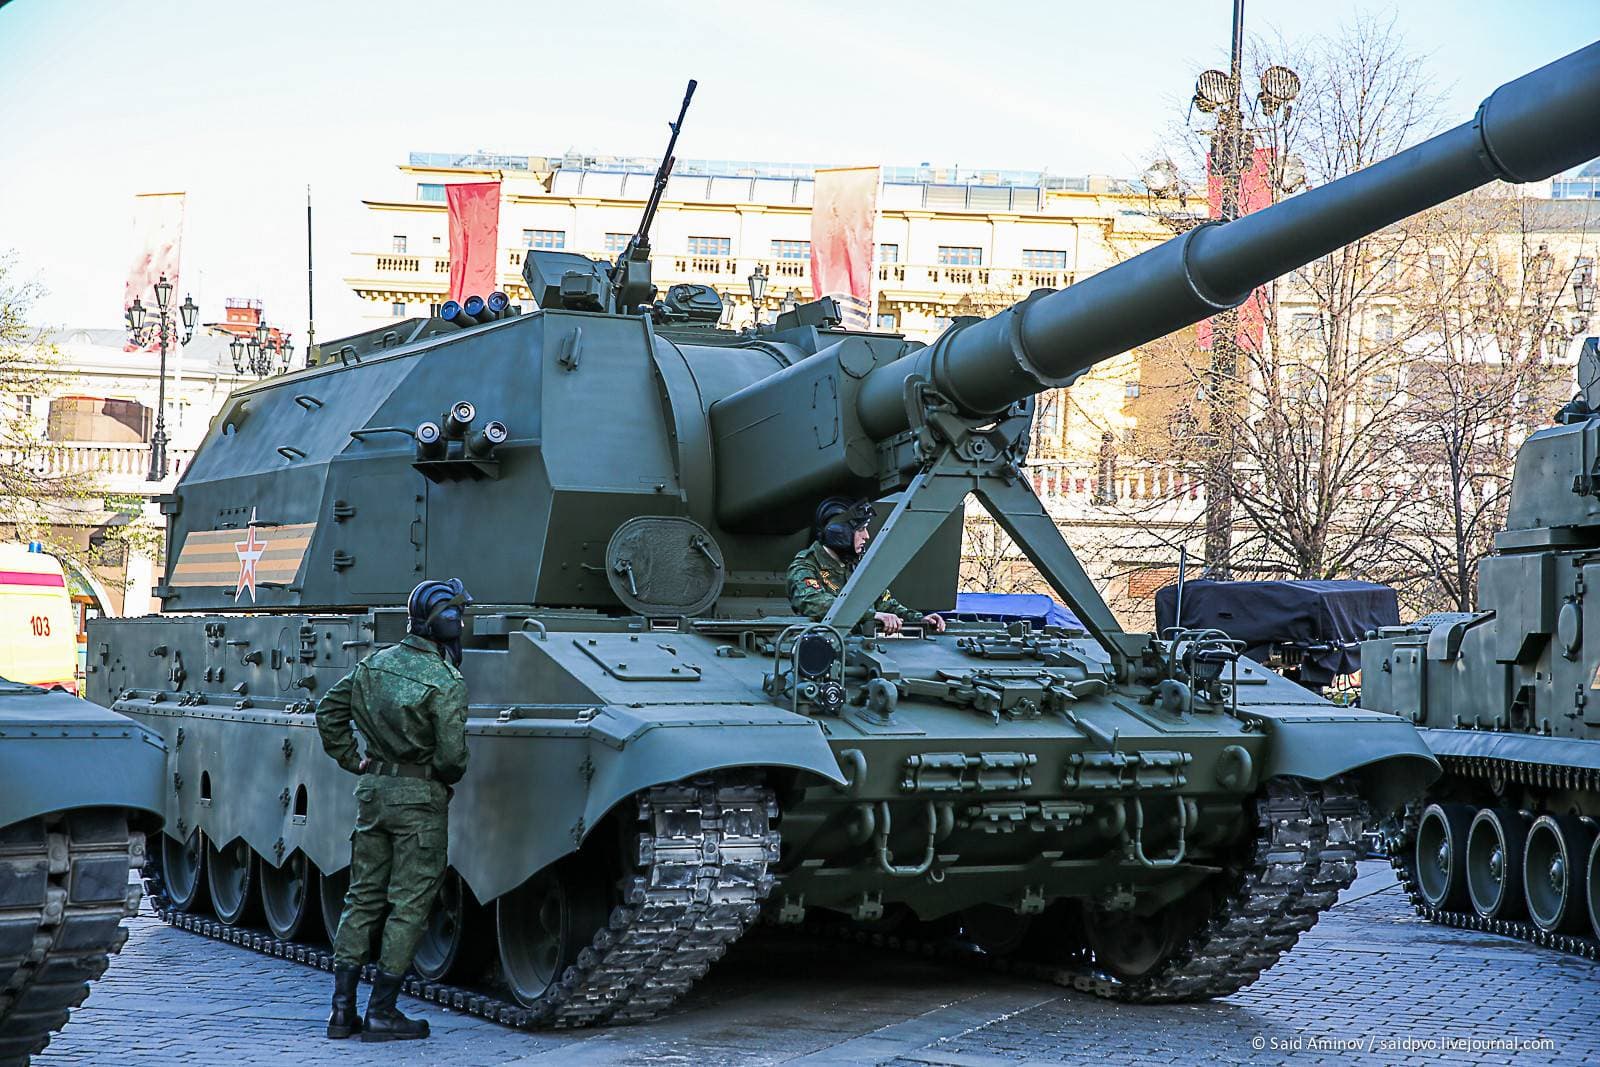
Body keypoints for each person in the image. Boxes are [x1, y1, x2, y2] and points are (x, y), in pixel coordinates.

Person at [315, 578, 472, 1042]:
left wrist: (353, 759)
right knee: (408, 904)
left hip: (373, 794)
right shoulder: (445, 680)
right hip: (419, 800)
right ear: (446, 623)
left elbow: (328, 711)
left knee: (362, 898)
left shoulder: (374, 664)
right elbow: (452, 760)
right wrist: (439, 774)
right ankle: (382, 1012)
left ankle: (341, 1013)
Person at [786, 497, 946, 634]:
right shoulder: (805, 566)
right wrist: (871, 615)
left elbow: (885, 603)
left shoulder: (858, 565)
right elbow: (813, 601)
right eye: (861, 529)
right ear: (839, 533)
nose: (866, 536)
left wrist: (919, 619)